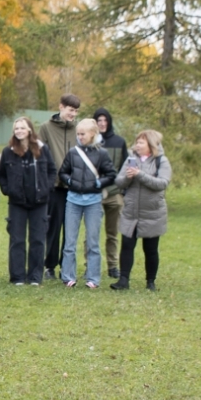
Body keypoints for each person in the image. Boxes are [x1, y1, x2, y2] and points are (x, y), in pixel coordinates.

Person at [57, 118, 115, 288]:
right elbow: (63, 172)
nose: (80, 137)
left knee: (93, 241)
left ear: (92, 134)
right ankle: (68, 276)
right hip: (73, 200)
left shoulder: (102, 154)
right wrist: (71, 182)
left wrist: (98, 184)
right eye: (78, 134)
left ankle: (93, 278)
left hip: (93, 202)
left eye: (83, 134)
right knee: (69, 241)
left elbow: (111, 174)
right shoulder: (73, 152)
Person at [112, 130, 172, 291]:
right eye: (137, 142)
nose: (137, 145)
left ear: (150, 145)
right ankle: (123, 280)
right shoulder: (131, 159)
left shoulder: (161, 161)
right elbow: (119, 182)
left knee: (151, 249)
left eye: (141, 142)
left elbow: (161, 184)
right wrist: (128, 177)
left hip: (153, 213)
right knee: (127, 245)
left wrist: (140, 174)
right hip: (131, 212)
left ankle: (150, 282)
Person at [0, 117, 53, 285]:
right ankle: (18, 277)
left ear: (29, 130)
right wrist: (8, 190)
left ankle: (35, 276)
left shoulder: (42, 150)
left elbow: (52, 170)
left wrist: (46, 188)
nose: (19, 131)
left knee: (37, 239)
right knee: (17, 240)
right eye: (16, 128)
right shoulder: (9, 151)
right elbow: (1, 175)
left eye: (22, 128)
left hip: (39, 202)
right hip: (17, 203)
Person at [37, 95, 81, 280]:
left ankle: (67, 266)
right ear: (61, 107)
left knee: (70, 229)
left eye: (76, 111)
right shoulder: (46, 128)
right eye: (71, 109)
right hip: (54, 186)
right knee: (53, 228)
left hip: (74, 186)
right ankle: (50, 266)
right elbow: (40, 154)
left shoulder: (78, 130)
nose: (73, 114)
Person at [94, 108, 129, 280]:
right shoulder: (90, 142)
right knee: (92, 233)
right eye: (99, 120)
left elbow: (125, 166)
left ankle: (113, 266)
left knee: (112, 233)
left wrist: (122, 192)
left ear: (109, 122)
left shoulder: (119, 141)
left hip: (115, 194)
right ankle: (90, 266)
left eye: (104, 120)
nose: (102, 123)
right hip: (94, 194)